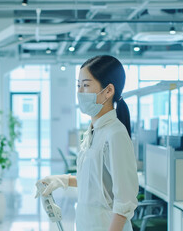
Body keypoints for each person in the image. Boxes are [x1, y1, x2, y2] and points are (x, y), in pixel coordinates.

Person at [35, 55, 139, 231]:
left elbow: (124, 201)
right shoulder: (92, 132)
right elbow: (96, 183)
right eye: (78, 85)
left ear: (108, 91)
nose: (80, 92)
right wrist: (63, 180)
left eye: (86, 85)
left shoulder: (115, 134)